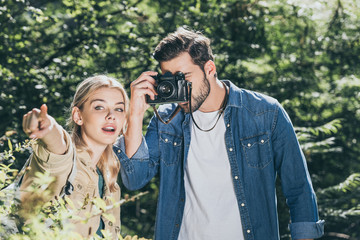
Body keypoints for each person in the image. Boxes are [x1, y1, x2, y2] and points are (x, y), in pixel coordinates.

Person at [114, 27, 324, 240]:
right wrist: (135, 114)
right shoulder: (167, 120)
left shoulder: (265, 113)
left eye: (184, 76)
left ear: (209, 68)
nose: (178, 87)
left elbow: (299, 189)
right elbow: (134, 179)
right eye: (169, 78)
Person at [21, 75, 128, 238]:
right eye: (99, 107)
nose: (111, 115)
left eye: (119, 109)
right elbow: (58, 144)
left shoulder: (110, 177)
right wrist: (48, 127)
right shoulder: (64, 156)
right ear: (78, 116)